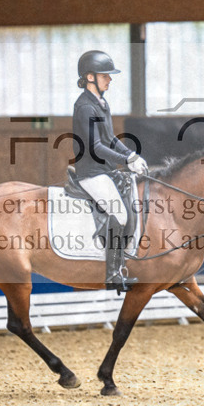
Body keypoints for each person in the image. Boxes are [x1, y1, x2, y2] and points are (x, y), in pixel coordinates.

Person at [72, 50, 148, 292]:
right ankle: (113, 273)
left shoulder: (101, 103)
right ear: (90, 77)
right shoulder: (85, 107)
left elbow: (110, 138)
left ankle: (124, 260)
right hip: (90, 172)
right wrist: (126, 162)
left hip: (104, 170)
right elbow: (95, 146)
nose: (110, 79)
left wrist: (131, 155)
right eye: (106, 75)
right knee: (120, 214)